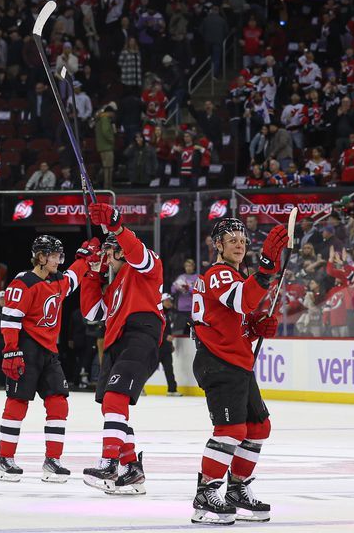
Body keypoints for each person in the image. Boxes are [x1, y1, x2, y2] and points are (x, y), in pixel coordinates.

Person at [189, 217, 289, 524]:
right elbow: (241, 299)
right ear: (218, 245)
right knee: (231, 430)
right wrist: (267, 267)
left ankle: (236, 489)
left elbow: (237, 314)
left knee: (258, 428)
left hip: (235, 361)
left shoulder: (233, 275)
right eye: (232, 239)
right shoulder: (218, 273)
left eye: (243, 240)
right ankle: (205, 493)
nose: (240, 244)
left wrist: (254, 327)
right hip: (219, 361)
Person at [78, 201, 166, 496]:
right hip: (115, 341)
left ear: (118, 251)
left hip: (140, 335)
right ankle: (131, 469)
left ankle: (109, 462)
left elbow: (138, 253)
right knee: (110, 405)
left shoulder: (145, 267)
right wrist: (91, 273)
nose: (103, 256)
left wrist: (117, 227)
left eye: (107, 251)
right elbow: (92, 314)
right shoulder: (113, 286)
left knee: (115, 397)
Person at [0, 234, 85, 484]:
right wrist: (11, 350)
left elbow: (74, 278)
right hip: (26, 348)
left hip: (49, 351)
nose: (59, 260)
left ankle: (52, 460)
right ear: (41, 257)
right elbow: (10, 319)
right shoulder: (23, 282)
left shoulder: (57, 281)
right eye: (54, 255)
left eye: (60, 255)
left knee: (59, 403)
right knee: (17, 402)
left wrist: (85, 258)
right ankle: (5, 458)